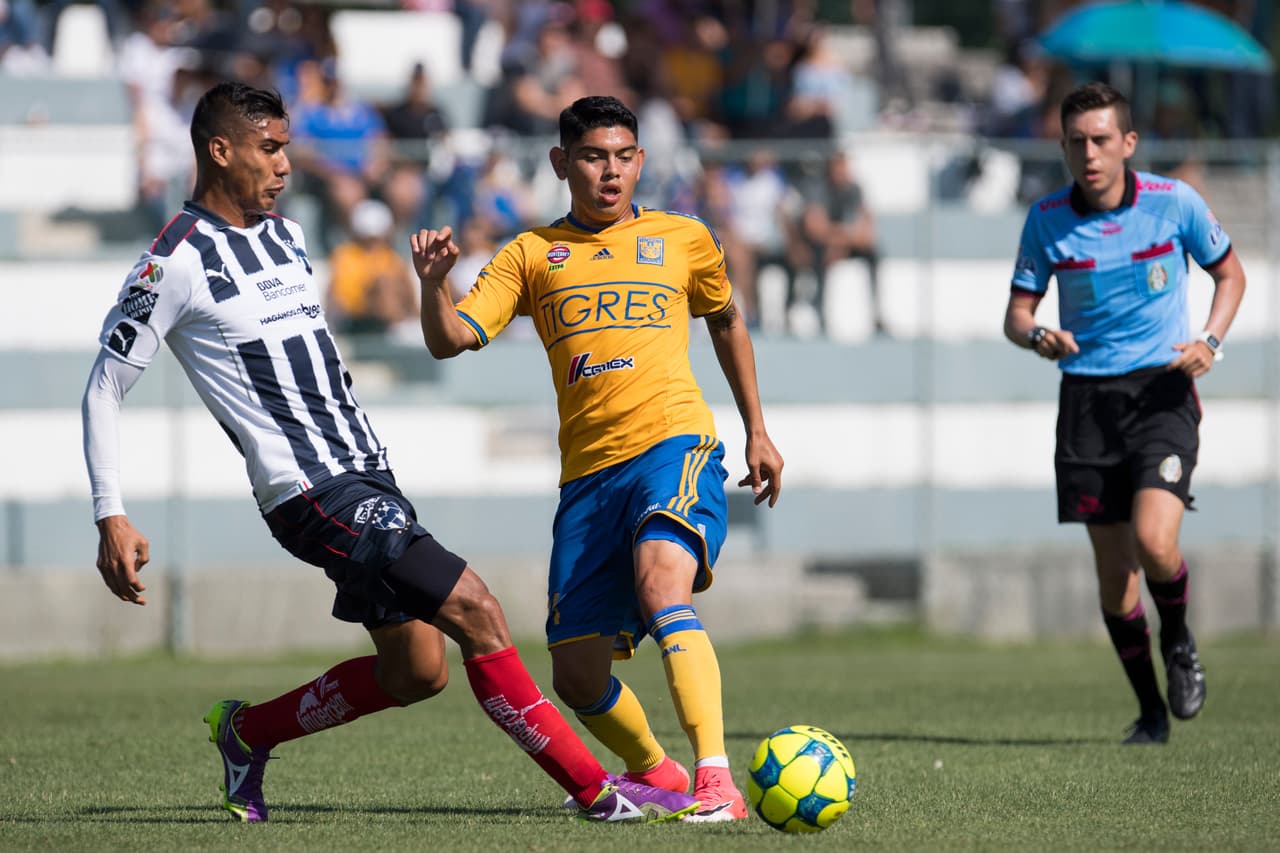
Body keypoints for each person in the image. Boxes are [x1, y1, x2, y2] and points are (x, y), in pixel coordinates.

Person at [81, 81, 699, 825]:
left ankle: (247, 732)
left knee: (416, 671)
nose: (285, 164)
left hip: (368, 472)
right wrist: (110, 513)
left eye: (285, 148)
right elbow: (104, 387)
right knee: (477, 609)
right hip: (310, 489)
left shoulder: (286, 235)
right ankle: (599, 792)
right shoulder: (173, 262)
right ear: (219, 150)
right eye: (268, 149)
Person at [411, 95, 784, 822]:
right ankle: (659, 772)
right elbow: (449, 339)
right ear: (561, 162)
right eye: (592, 157)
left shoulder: (684, 238)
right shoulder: (530, 254)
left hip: (674, 445)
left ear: (640, 161)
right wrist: (432, 286)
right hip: (587, 478)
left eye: (622, 157)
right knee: (577, 677)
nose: (610, 172)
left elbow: (727, 320)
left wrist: (757, 430)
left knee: (661, 584)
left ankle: (717, 780)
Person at [1002, 82, 1246, 744]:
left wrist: (1210, 341)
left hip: (1162, 392)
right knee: (1116, 579)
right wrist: (1038, 335)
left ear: (1128, 143)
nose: (1090, 153)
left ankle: (1180, 639)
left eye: (1102, 140)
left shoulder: (1174, 203)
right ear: (1063, 147)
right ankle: (1151, 712)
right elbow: (1016, 315)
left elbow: (1231, 274)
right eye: (1077, 142)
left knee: (1155, 540)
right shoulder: (1047, 218)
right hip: (1086, 401)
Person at [796, 150, 883, 336]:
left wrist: (838, 242)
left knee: (873, 254)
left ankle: (877, 313)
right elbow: (814, 228)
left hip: (840, 245)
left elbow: (867, 232)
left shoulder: (855, 190)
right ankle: (819, 313)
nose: (842, 171)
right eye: (838, 167)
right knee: (819, 256)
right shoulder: (818, 189)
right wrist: (842, 237)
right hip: (822, 246)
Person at [326, 198, 418, 337]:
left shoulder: (393, 259)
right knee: (384, 285)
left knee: (386, 285)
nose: (374, 246)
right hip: (353, 319)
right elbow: (336, 296)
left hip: (386, 316)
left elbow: (407, 293)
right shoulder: (344, 256)